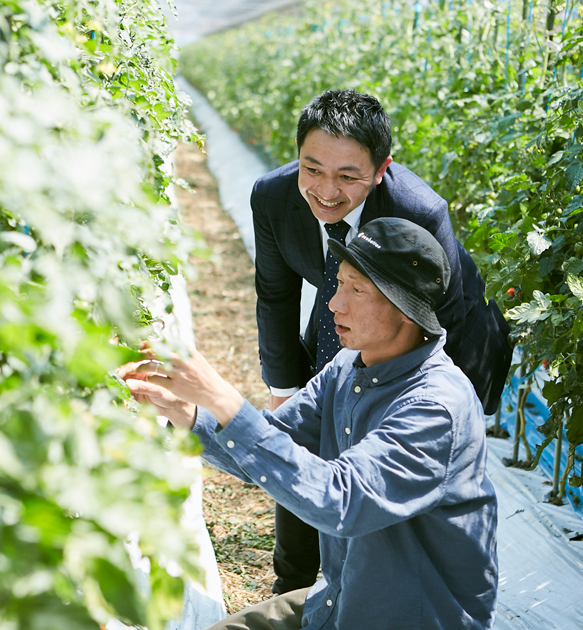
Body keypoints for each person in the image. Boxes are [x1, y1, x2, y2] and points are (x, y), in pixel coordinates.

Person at [122, 218, 499, 630]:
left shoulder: (435, 407)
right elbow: (263, 449)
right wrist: (187, 412)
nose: (335, 304)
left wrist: (222, 397)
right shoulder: (347, 367)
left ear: (407, 311)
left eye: (358, 290)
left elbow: (340, 502)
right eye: (339, 283)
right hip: (340, 597)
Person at [251, 89, 511, 594]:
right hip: (347, 311)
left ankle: (381, 593)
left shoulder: (419, 211)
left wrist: (398, 415)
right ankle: (297, 588)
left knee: (387, 488)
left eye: (349, 176)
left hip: (445, 332)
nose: (327, 191)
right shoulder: (274, 196)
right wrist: (286, 392)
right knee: (304, 444)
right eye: (313, 169)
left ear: (381, 169)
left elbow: (440, 324)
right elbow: (275, 295)